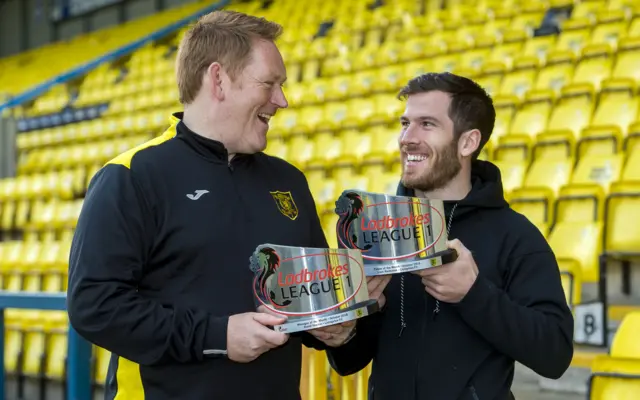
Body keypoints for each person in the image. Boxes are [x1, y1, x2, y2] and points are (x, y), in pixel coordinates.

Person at [66, 10, 352, 400]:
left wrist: (339, 325)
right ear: (218, 79)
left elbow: (313, 305)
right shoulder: (132, 175)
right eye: (269, 83)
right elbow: (94, 306)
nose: (282, 101)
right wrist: (218, 336)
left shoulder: (289, 181)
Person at [324, 72, 575, 400]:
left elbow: (555, 354)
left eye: (426, 124)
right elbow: (349, 361)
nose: (407, 138)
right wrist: (345, 330)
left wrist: (474, 294)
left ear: (468, 142)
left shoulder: (516, 235)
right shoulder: (373, 229)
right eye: (405, 123)